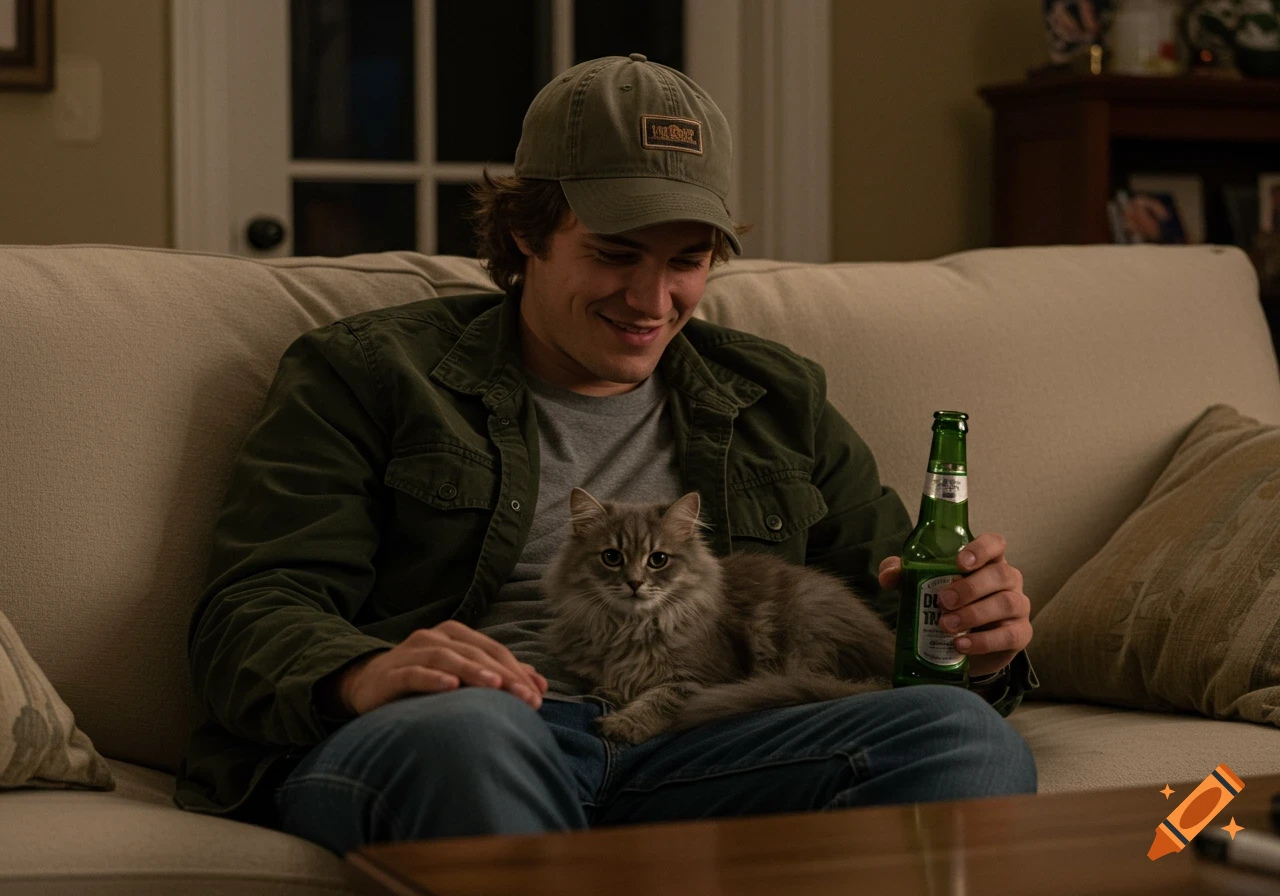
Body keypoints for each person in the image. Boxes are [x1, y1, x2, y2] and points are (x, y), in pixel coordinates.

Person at [174, 54, 1039, 855]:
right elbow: (252, 609)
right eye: (615, 255)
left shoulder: (779, 400)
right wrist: (363, 672)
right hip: (472, 733)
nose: (652, 300)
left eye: (687, 262)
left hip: (704, 738)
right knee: (472, 733)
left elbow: (896, 620)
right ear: (526, 232)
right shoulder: (369, 373)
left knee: (960, 735)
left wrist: (977, 642)